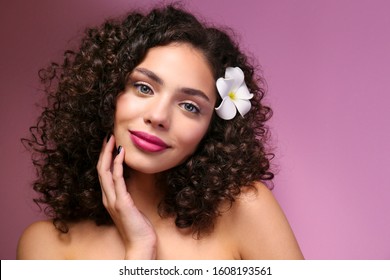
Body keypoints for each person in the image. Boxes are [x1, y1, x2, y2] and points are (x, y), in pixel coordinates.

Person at [17, 4, 304, 260]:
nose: (158, 117)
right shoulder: (47, 247)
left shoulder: (245, 210)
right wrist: (139, 250)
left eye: (190, 106)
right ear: (106, 92)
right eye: (144, 88)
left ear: (213, 130)